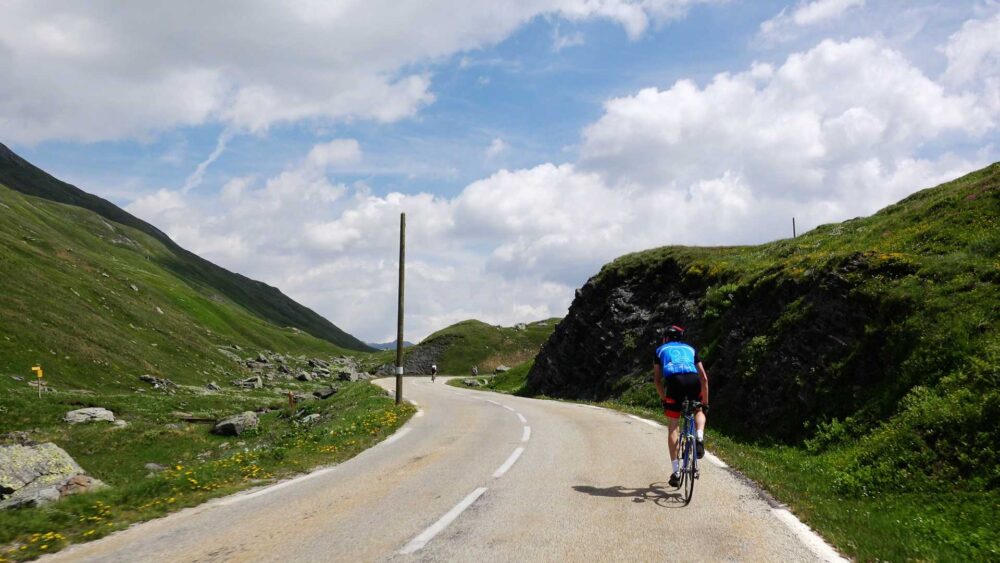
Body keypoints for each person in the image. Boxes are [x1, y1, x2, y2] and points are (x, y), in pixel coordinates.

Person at [653, 324, 710, 488]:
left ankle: (676, 472)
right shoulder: (691, 349)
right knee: (698, 410)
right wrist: (704, 403)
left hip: (674, 383)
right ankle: (699, 437)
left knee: (673, 427)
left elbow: (657, 381)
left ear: (666, 338)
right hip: (693, 381)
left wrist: (664, 398)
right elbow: (704, 378)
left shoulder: (660, 350)